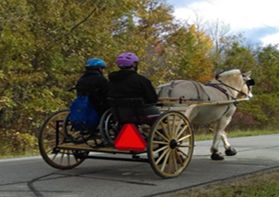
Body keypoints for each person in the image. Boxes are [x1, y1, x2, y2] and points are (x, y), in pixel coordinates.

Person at [107, 52, 159, 121]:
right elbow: (152, 99)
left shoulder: (111, 80)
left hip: (119, 115)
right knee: (157, 111)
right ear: (134, 64)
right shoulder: (141, 80)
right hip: (139, 114)